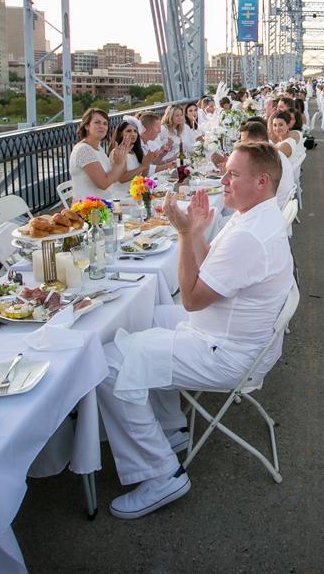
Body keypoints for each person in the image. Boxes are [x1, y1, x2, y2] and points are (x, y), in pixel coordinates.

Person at [95, 143, 294, 519]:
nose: (224, 180)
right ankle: (170, 428)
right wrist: (199, 232)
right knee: (145, 319)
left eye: (233, 174)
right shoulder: (253, 216)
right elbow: (214, 275)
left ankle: (160, 474)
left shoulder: (249, 235)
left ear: (262, 181)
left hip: (228, 352)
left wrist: (185, 235)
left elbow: (191, 298)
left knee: (107, 364)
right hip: (230, 331)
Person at [212, 120, 294, 209]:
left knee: (216, 209)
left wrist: (230, 173)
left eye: (244, 141)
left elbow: (244, 190)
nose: (240, 145)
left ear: (257, 141)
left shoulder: (266, 160)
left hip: (267, 209)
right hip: (271, 204)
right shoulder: (270, 152)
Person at [70, 107, 135, 202]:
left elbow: (113, 177)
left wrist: (120, 159)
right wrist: (119, 164)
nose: (102, 126)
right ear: (87, 126)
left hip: (106, 204)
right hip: (89, 211)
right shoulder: (83, 150)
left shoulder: (98, 148)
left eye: (105, 123)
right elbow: (103, 184)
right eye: (97, 122)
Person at [111, 120, 173, 187]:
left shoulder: (136, 151)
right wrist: (143, 166)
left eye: (135, 131)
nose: (133, 134)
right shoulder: (116, 152)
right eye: (128, 131)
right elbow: (121, 179)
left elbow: (143, 176)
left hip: (137, 191)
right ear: (120, 133)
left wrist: (148, 162)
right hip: (122, 194)